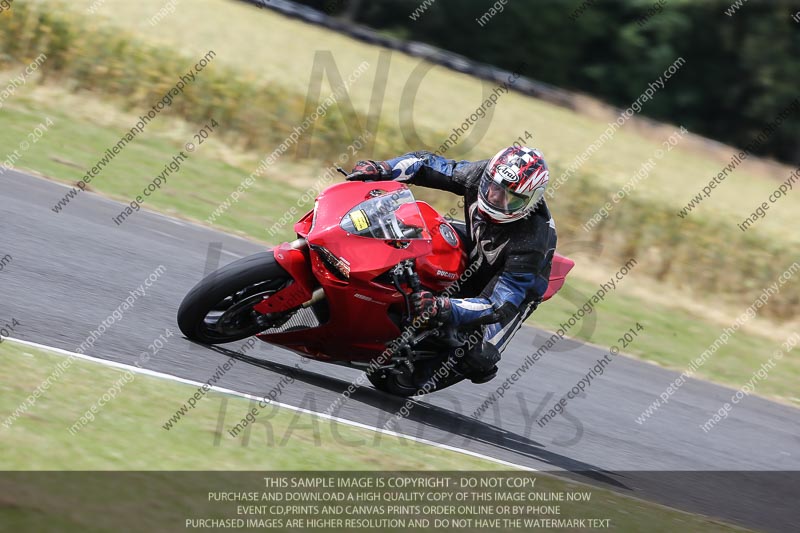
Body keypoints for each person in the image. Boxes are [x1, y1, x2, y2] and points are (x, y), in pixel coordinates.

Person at [348, 146, 556, 384]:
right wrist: (382, 168)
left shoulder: (533, 241)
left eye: (511, 198)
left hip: (514, 285)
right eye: (495, 188)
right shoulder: (481, 174)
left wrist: (443, 307)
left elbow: (498, 304)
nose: (496, 199)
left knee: (479, 357)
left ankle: (426, 368)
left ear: (530, 201)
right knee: (415, 240)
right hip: (479, 241)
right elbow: (426, 163)